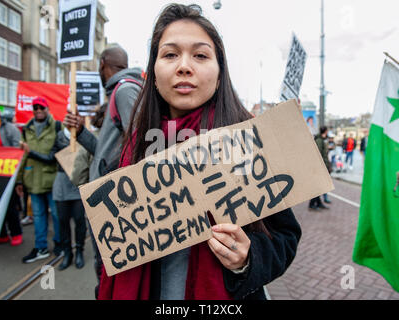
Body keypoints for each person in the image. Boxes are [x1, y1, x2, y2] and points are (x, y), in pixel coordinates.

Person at [97, 4, 302, 300]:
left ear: (220, 73)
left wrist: (247, 260)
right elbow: (109, 252)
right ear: (152, 73)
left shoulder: (250, 143)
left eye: (201, 55)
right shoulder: (131, 149)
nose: (184, 66)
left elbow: (285, 237)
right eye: (169, 54)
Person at [63, 47, 144, 286]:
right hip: (107, 195)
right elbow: (108, 149)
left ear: (102, 64)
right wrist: (81, 132)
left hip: (111, 199)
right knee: (105, 269)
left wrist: (109, 175)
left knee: (107, 271)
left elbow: (141, 142)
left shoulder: (125, 90)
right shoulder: (120, 92)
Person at [24, 121, 88, 271]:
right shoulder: (59, 136)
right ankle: (67, 253)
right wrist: (31, 152)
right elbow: (50, 157)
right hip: (61, 185)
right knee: (62, 221)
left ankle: (79, 250)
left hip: (78, 184)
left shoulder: (84, 135)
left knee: (79, 220)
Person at [16, 97, 62, 263]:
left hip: (52, 179)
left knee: (56, 215)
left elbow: (57, 155)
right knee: (38, 215)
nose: (38, 110)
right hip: (33, 181)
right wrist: (19, 181)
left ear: (47, 109)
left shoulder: (56, 126)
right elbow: (22, 157)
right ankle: (41, 246)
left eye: (41, 107)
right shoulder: (26, 129)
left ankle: (60, 243)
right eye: (35, 108)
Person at [0, 111, 23, 246]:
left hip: (8, 173)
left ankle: (16, 232)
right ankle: (2, 234)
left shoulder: (10, 129)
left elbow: (18, 150)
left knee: (10, 206)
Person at [309, 126, 330, 211]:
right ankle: (312, 204)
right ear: (325, 131)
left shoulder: (321, 140)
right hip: (319, 167)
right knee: (318, 186)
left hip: (322, 166)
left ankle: (318, 203)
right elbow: (318, 155)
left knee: (321, 187)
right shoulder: (319, 141)